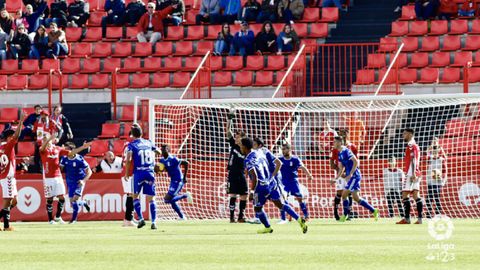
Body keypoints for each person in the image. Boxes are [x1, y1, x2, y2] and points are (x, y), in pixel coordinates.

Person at [241, 137, 307, 234]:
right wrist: (271, 177)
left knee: (257, 208)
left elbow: (254, 176)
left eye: (241, 146)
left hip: (260, 187)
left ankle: (267, 227)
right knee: (280, 204)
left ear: (245, 147)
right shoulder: (262, 152)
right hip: (271, 183)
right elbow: (273, 164)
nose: (240, 148)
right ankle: (299, 219)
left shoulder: (248, 160)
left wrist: (251, 192)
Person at [40, 134, 91, 224]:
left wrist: (82, 147)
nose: (45, 141)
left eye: (46, 139)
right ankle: (50, 220)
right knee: (50, 199)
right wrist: (48, 140)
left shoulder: (57, 149)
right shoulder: (42, 149)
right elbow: (42, 148)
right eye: (43, 139)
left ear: (52, 140)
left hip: (58, 177)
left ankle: (58, 216)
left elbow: (71, 152)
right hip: (48, 178)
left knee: (62, 198)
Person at [334, 136, 378, 222]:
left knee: (344, 195)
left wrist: (350, 173)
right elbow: (341, 168)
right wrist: (336, 179)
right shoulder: (340, 153)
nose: (333, 143)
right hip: (352, 177)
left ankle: (345, 215)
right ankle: (374, 210)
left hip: (354, 176)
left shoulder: (346, 151)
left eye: (335, 142)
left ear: (339, 142)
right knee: (356, 198)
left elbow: (356, 161)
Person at [124, 125, 161, 229]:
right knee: (151, 199)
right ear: (141, 133)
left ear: (132, 135)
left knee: (135, 196)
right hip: (150, 172)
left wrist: (127, 173)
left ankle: (141, 219)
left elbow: (129, 159)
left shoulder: (131, 145)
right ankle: (154, 222)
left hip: (139, 173)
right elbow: (159, 151)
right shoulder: (148, 142)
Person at [0, 112, 25, 231]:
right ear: (9, 137)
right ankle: (6, 226)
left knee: (14, 201)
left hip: (7, 176)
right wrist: (21, 121)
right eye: (12, 135)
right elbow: (17, 135)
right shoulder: (9, 145)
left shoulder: (2, 147)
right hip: (8, 177)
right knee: (8, 200)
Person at [278, 143, 313, 224]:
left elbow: (302, 167)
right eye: (282, 149)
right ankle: (283, 219)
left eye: (285, 149)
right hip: (284, 182)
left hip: (294, 181)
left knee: (299, 198)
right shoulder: (280, 159)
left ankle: (306, 215)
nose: (283, 151)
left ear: (289, 149)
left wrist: (309, 175)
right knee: (282, 199)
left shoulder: (295, 159)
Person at [59, 142, 92, 224]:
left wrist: (83, 181)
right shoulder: (64, 158)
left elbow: (89, 172)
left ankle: (74, 220)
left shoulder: (79, 159)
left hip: (79, 181)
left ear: (72, 150)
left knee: (74, 200)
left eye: (67, 150)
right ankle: (84, 203)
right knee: (72, 203)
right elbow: (60, 169)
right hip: (70, 182)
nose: (65, 152)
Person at [397, 128, 424, 225]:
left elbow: (414, 159)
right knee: (416, 195)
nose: (403, 135)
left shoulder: (411, 145)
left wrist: (413, 173)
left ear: (410, 134)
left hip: (411, 173)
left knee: (405, 195)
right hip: (415, 172)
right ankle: (420, 219)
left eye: (404, 134)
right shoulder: (414, 145)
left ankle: (407, 219)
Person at [158, 144, 192, 220]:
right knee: (172, 201)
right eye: (162, 150)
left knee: (167, 200)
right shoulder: (162, 160)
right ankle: (182, 217)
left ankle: (185, 195)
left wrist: (185, 177)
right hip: (173, 181)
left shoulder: (173, 159)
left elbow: (186, 163)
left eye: (164, 150)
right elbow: (164, 169)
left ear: (168, 150)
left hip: (179, 180)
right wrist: (159, 170)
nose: (162, 151)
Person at [225, 111, 248, 223]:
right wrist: (230, 119)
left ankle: (241, 216)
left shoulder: (246, 149)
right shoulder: (233, 144)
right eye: (236, 137)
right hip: (232, 173)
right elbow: (228, 132)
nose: (236, 138)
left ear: (243, 138)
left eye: (238, 137)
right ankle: (231, 216)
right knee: (233, 194)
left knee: (244, 195)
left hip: (242, 173)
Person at [329, 129, 356, 220]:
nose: (343, 136)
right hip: (340, 173)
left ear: (348, 135)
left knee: (350, 192)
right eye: (341, 134)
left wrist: (350, 172)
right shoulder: (335, 149)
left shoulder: (352, 147)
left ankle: (348, 213)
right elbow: (332, 162)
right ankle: (336, 213)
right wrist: (339, 171)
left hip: (349, 173)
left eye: (345, 134)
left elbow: (355, 161)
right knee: (340, 192)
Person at [425, 138, 447, 218]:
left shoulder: (441, 159)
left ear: (438, 150)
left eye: (436, 149)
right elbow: (426, 154)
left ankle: (437, 214)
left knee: (436, 198)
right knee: (429, 199)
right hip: (431, 182)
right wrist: (431, 146)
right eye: (433, 149)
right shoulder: (430, 158)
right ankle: (429, 214)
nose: (434, 151)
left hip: (438, 182)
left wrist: (442, 180)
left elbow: (444, 171)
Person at [121, 127, 136, 227]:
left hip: (126, 172)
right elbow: (129, 159)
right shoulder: (132, 144)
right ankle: (128, 219)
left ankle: (129, 217)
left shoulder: (126, 143)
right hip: (129, 173)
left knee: (130, 196)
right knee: (131, 196)